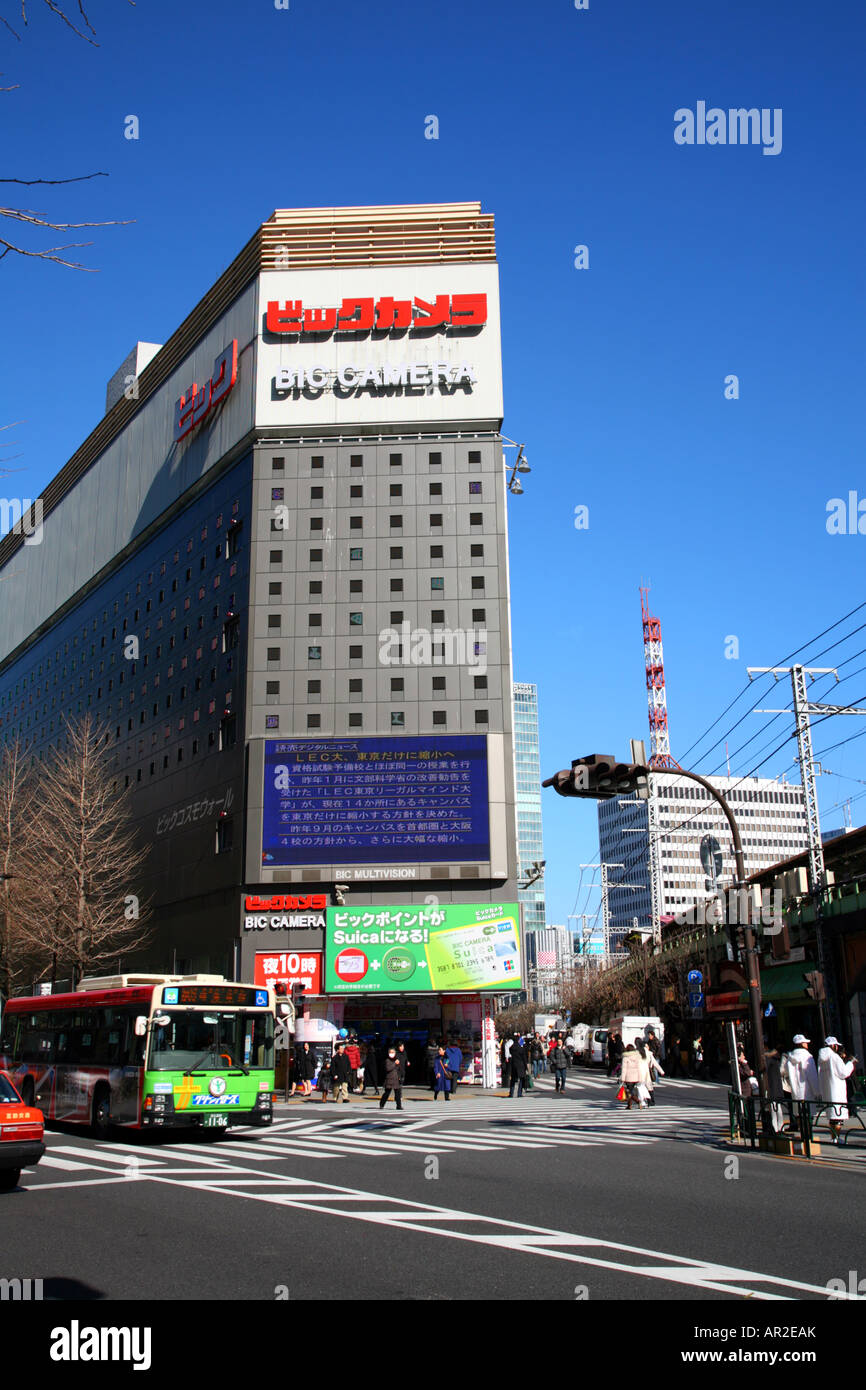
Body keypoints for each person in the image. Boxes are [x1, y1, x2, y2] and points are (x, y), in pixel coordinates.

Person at [817, 1036, 857, 1143]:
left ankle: (833, 1137)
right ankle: (837, 1138)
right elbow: (843, 1073)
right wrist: (850, 1063)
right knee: (837, 1116)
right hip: (836, 1090)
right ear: (833, 1045)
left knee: (832, 1116)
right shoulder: (834, 1057)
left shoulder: (821, 1058)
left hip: (827, 1090)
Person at [619, 1044, 651, 1110]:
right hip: (636, 1077)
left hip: (628, 1077)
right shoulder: (637, 1057)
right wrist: (640, 1077)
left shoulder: (626, 1057)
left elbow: (624, 1069)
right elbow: (639, 1068)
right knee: (630, 1091)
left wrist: (622, 1078)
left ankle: (638, 1101)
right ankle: (629, 1105)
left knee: (629, 1092)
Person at [508, 1033, 528, 1097]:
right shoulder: (521, 1048)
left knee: (513, 1079)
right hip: (521, 1065)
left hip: (514, 1065)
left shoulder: (511, 1048)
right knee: (521, 1079)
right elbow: (524, 1058)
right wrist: (526, 1066)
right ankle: (519, 1093)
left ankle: (511, 1093)